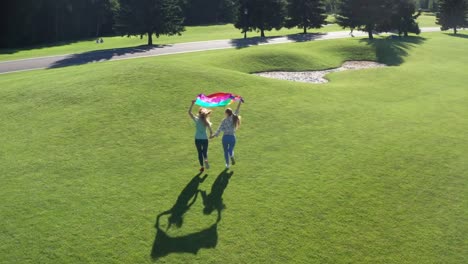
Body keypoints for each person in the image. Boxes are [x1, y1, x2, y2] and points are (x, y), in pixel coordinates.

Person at [211, 100, 242, 168]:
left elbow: (219, 130)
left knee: (225, 151)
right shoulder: (234, 117)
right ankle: (231, 155)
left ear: (227, 113)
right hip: (232, 137)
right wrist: (240, 102)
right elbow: (237, 109)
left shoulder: (224, 121)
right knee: (230, 149)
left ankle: (227, 165)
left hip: (225, 138)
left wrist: (213, 135)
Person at [188, 100, 213, 172]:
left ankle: (202, 167)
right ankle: (206, 159)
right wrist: (211, 135)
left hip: (197, 139)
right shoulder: (206, 121)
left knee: (199, 152)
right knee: (204, 152)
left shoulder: (197, 119)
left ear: (199, 113)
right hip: (205, 139)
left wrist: (192, 104)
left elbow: (189, 113)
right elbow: (210, 130)